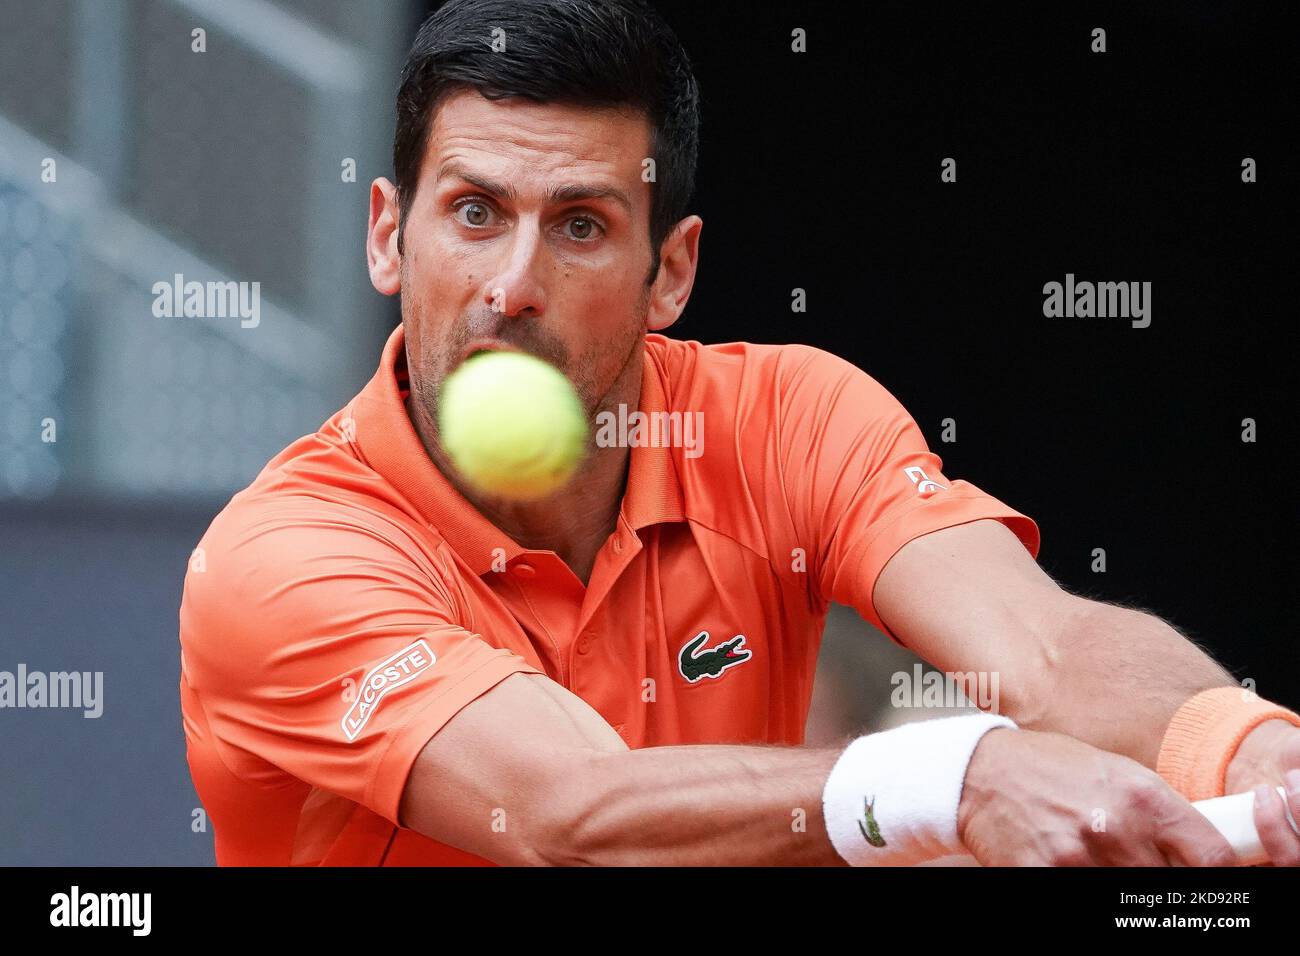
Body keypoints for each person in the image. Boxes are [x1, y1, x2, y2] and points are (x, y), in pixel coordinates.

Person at [178, 0, 1300, 866]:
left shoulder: (786, 416)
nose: (511, 285)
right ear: (389, 237)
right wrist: (951, 776)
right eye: (474, 212)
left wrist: (1242, 742)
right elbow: (568, 809)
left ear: (671, 271)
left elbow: (1044, 647)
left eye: (579, 225)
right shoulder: (280, 559)